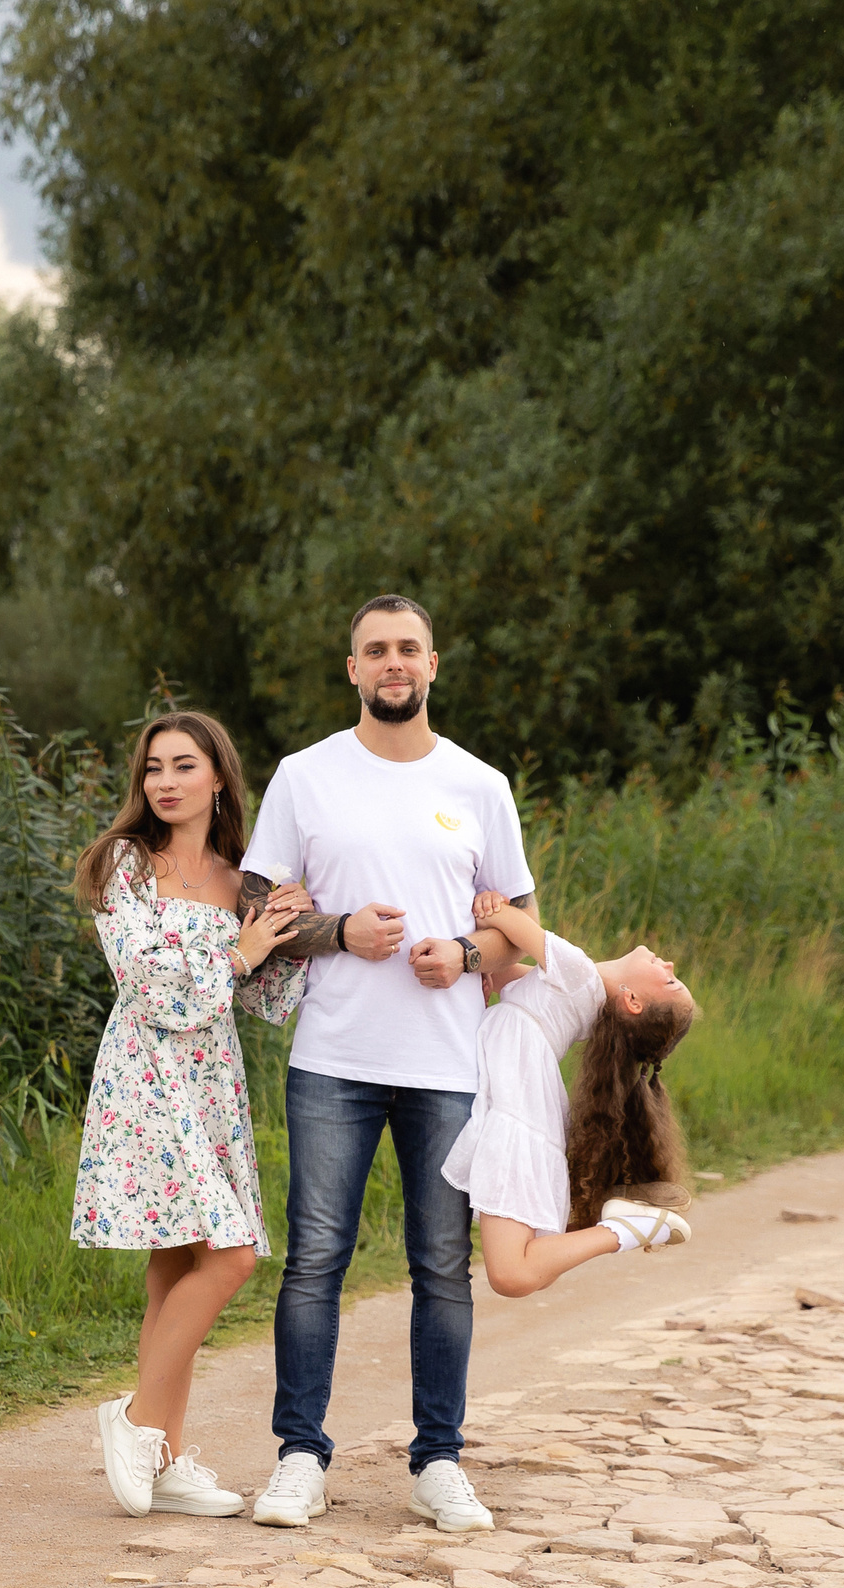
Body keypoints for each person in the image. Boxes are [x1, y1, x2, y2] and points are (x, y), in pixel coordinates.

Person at [236, 594, 536, 1534]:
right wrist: (339, 931)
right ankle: (299, 1457)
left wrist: (467, 952)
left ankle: (438, 1460)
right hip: (334, 1059)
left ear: (433, 665)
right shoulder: (305, 776)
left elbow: (519, 931)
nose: (393, 662)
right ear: (353, 670)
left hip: (448, 1064)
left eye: (409, 648)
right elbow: (254, 905)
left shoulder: (481, 784)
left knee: (443, 1265)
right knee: (316, 1259)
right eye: (376, 650)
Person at [73, 710, 312, 1519]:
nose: (165, 781)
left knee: (179, 1261)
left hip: (210, 1079)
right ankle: (136, 1419)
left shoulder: (240, 877)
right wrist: (240, 953)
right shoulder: (125, 865)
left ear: (218, 777)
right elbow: (147, 981)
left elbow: (273, 998)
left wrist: (293, 928)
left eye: (183, 765)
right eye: (152, 768)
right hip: (147, 1073)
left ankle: (166, 1458)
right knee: (232, 1253)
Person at [440, 890, 699, 1299]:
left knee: (512, 1273)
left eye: (668, 979)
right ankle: (620, 1229)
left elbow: (512, 923)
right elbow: (501, 974)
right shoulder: (580, 993)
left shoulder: (576, 972)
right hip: (524, 1092)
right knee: (519, 1269)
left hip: (519, 1099)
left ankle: (620, 1232)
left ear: (631, 1000)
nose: (667, 963)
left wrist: (492, 903)